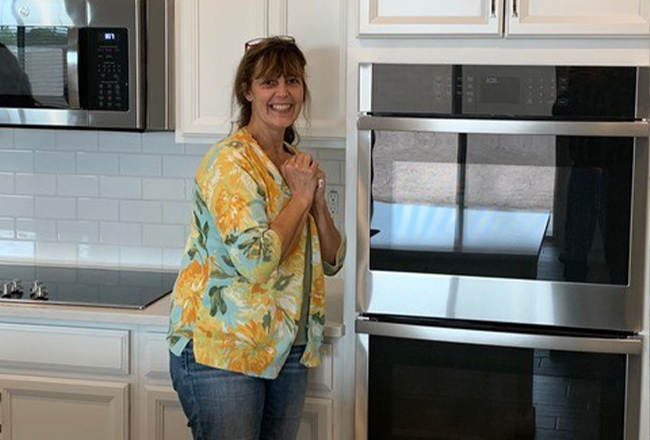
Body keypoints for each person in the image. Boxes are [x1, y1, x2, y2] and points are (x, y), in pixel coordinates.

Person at [167, 35, 345, 440]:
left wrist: (315, 201)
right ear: (247, 92)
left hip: (288, 348)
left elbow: (334, 259)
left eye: (293, 81)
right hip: (223, 350)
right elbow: (257, 261)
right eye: (269, 83)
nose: (283, 93)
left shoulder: (292, 162)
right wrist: (300, 196)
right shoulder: (229, 162)